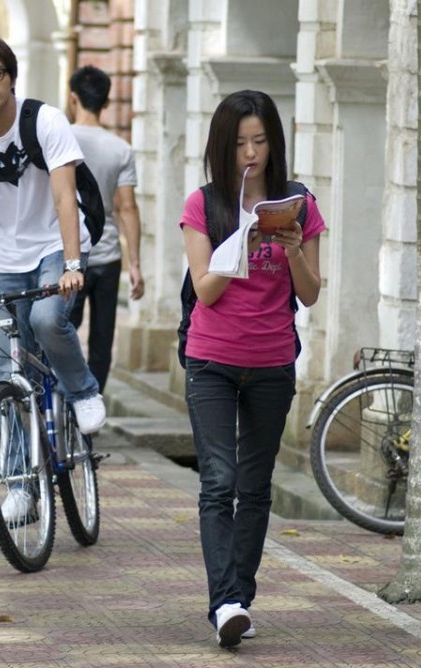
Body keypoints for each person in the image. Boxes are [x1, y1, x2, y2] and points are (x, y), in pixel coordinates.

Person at [0, 37, 107, 522]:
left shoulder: (45, 121)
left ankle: (84, 390)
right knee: (13, 375)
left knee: (49, 320)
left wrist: (73, 265)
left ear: (11, 76)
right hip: (8, 257)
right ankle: (22, 486)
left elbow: (65, 196)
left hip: (57, 245)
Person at [180, 90, 325, 647]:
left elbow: (310, 295)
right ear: (223, 145)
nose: (251, 152)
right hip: (212, 360)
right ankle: (225, 604)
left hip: (271, 362)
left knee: (256, 485)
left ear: (274, 143)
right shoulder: (204, 205)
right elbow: (204, 292)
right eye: (240, 142)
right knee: (218, 481)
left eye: (260, 140)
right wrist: (239, 240)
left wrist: (289, 247)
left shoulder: (299, 204)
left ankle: (239, 595)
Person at [66, 65, 144, 392]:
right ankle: (92, 405)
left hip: (67, 254)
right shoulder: (121, 149)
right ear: (106, 103)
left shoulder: (60, 140)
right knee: (102, 338)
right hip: (108, 254)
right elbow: (127, 206)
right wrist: (136, 264)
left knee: (62, 330)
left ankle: (64, 401)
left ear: (73, 99)